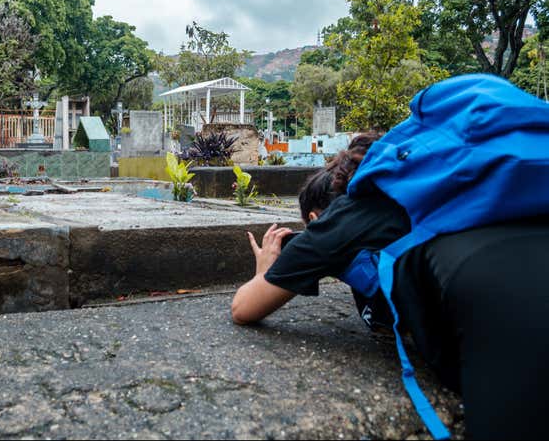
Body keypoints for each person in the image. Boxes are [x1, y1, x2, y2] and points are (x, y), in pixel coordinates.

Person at [231, 132, 549, 439]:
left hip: (505, 329)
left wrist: (265, 271)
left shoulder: (339, 219)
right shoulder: (415, 197)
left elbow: (243, 308)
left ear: (315, 219)